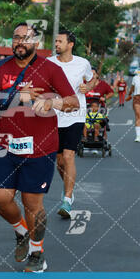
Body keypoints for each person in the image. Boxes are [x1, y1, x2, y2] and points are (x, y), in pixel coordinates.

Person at [0, 22, 79, 273]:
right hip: (5, 141)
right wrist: (18, 97)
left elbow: (73, 102)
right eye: (16, 37)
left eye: (26, 38)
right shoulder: (1, 68)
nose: (20, 42)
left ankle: (37, 253)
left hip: (41, 145)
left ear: (36, 43)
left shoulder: (50, 69)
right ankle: (22, 232)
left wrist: (52, 103)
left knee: (31, 203)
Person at [48, 30, 95, 219]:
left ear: (70, 44)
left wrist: (88, 87)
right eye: (56, 41)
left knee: (68, 156)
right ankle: (70, 189)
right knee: (59, 161)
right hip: (54, 116)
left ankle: (67, 199)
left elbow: (93, 78)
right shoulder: (50, 63)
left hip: (76, 115)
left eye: (60, 41)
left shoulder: (82, 63)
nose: (56, 44)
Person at [125, 64, 140, 142]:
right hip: (137, 98)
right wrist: (129, 95)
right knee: (139, 115)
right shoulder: (136, 78)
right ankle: (138, 136)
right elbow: (132, 88)